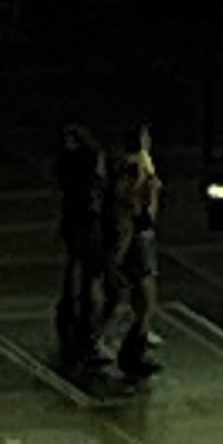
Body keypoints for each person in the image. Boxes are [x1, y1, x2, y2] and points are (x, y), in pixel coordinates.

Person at [111, 123, 163, 379]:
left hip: (140, 237)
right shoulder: (135, 167)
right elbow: (129, 205)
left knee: (144, 301)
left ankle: (136, 349)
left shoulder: (136, 165)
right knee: (146, 302)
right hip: (137, 239)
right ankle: (132, 353)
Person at [54, 125, 107, 366]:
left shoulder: (68, 171)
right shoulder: (90, 170)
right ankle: (89, 332)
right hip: (86, 221)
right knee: (90, 276)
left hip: (75, 220)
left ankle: (71, 317)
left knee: (75, 267)